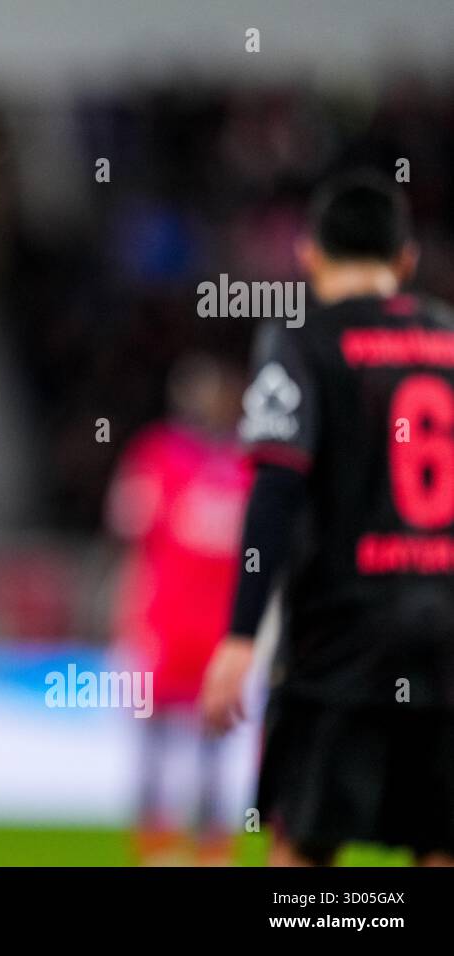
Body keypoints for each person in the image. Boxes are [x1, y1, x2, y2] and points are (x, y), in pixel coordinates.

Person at [201, 172, 454, 867]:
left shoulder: (301, 343)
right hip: (444, 641)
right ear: (405, 261)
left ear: (308, 254)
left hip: (339, 640)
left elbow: (275, 488)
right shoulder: (448, 338)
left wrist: (242, 634)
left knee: (306, 852)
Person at [105, 354, 251, 864]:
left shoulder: (248, 465)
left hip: (219, 629)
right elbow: (134, 538)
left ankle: (210, 839)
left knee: (213, 735)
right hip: (165, 620)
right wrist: (128, 616)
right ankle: (156, 841)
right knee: (155, 733)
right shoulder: (158, 454)